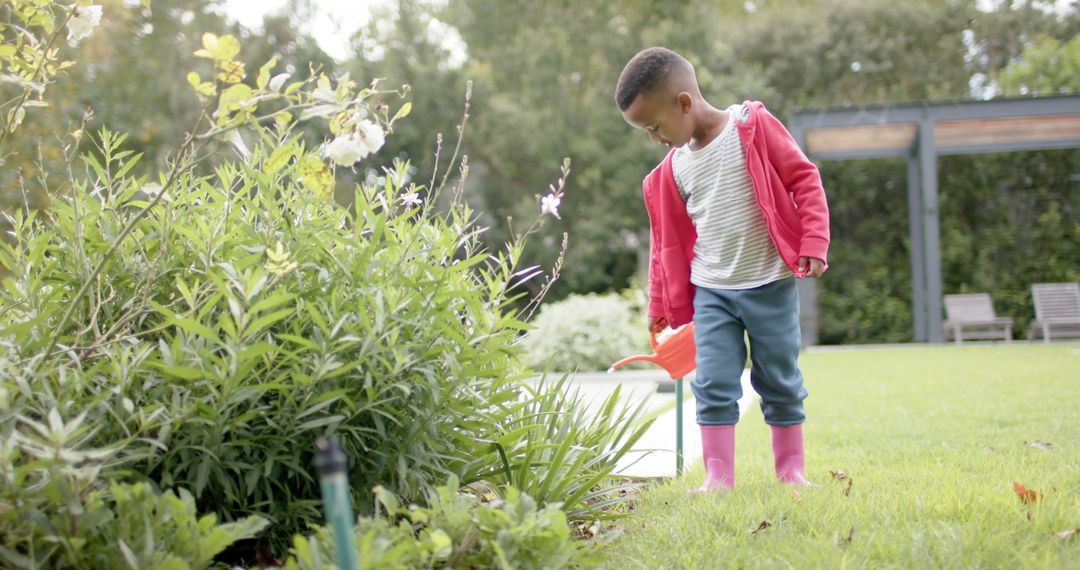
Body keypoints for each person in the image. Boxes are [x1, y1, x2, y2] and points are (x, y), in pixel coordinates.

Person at [615, 47, 830, 492]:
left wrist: (814, 240)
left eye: (655, 126)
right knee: (712, 381)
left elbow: (803, 177)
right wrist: (659, 302)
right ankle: (718, 478)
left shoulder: (751, 126)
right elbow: (666, 246)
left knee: (780, 379)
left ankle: (791, 474)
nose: (654, 137)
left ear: (684, 102)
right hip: (712, 292)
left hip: (769, 283)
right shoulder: (672, 170)